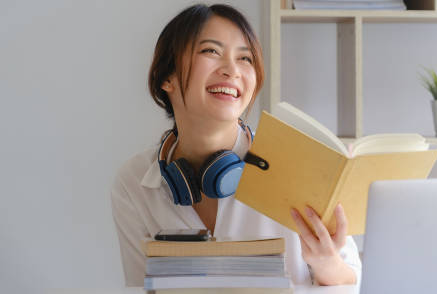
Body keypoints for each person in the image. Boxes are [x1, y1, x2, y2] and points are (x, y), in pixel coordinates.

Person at [110, 3, 361, 287]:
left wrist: (328, 264)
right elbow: (140, 289)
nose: (232, 70)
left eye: (245, 59)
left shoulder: (296, 163)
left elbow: (353, 280)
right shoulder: (134, 183)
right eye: (211, 51)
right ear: (167, 76)